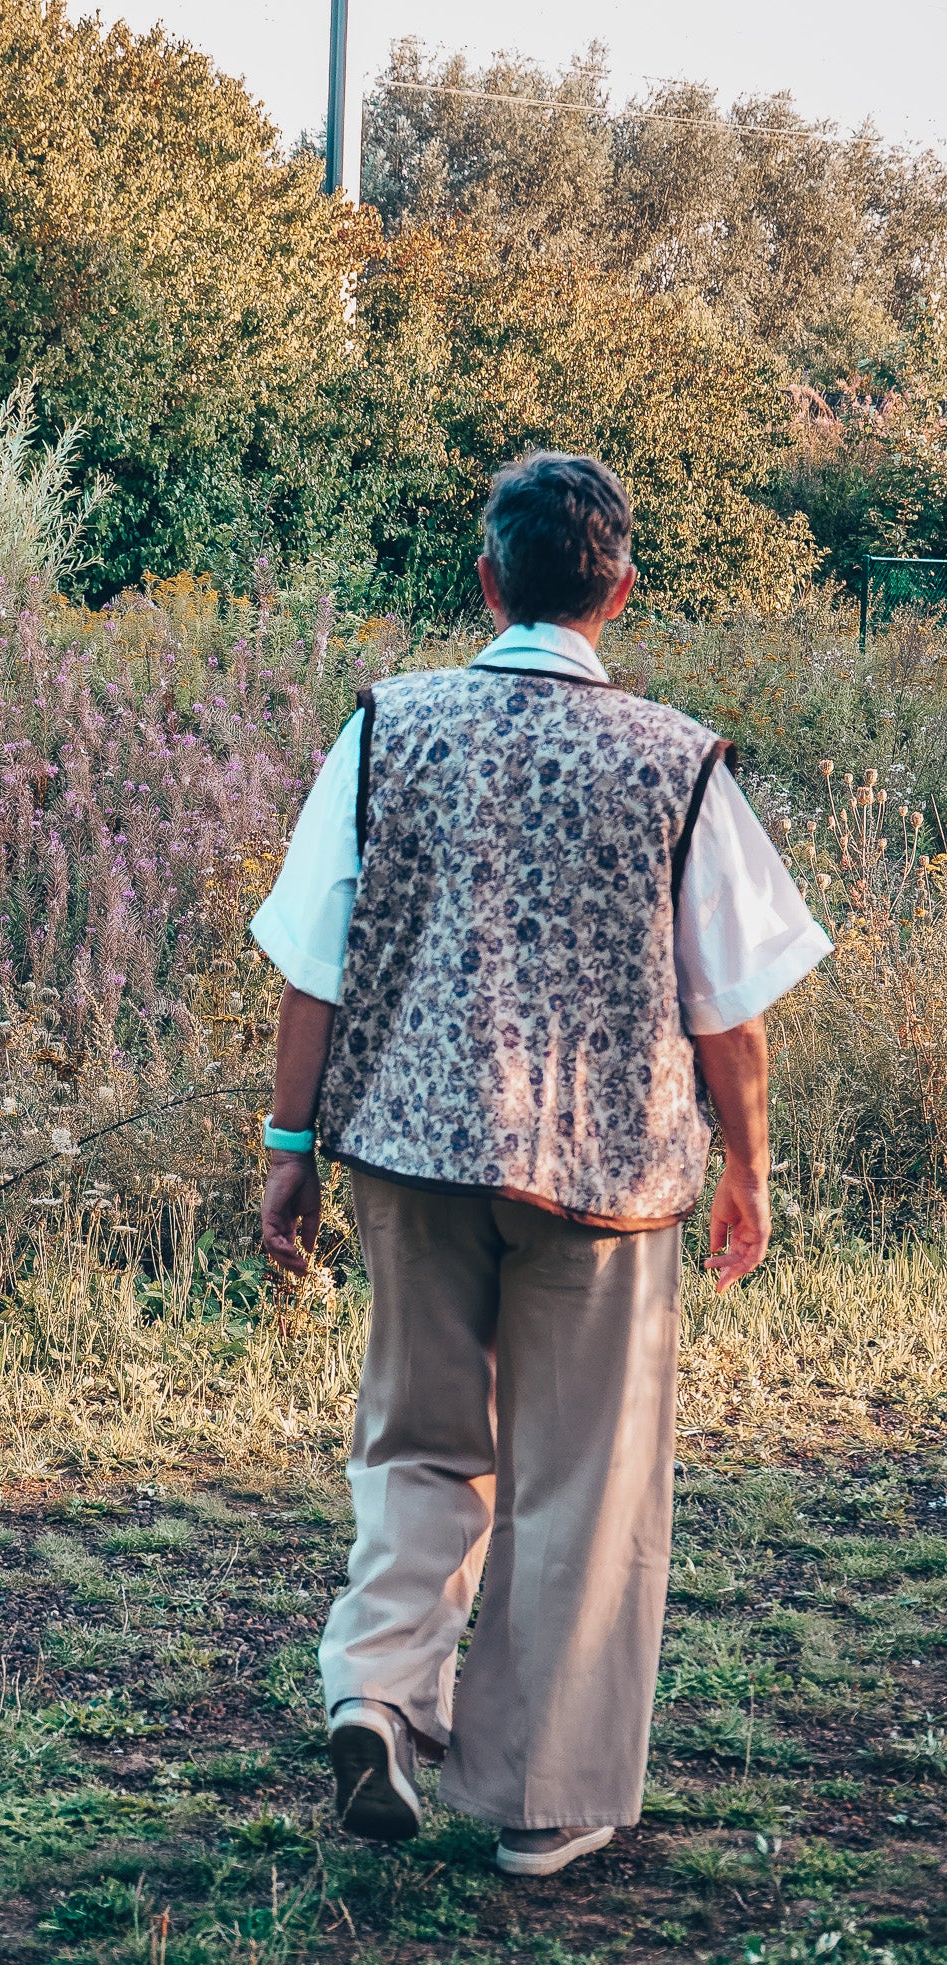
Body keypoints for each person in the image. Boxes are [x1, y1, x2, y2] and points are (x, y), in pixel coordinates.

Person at [249, 451, 831, 1879]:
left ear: (484, 578)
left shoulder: (388, 728)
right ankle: (541, 1801)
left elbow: (311, 962)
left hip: (404, 1150)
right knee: (583, 1475)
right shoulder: (675, 758)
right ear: (618, 589)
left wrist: (285, 1147)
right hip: (608, 1179)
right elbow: (727, 1012)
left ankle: (379, 1694)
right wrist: (745, 1170)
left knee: (415, 1439)